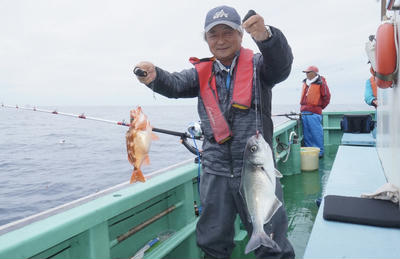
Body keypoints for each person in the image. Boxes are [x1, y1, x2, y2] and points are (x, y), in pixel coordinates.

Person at [135, 6, 294, 259]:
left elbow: (281, 66)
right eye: (213, 35)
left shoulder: (259, 66)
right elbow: (174, 84)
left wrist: (266, 37)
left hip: (256, 170)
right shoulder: (201, 73)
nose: (220, 40)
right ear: (206, 39)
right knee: (213, 241)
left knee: (273, 243)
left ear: (241, 35)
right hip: (215, 170)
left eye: (228, 32)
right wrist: (155, 76)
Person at [300, 66, 330, 157]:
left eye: (308, 72)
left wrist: (318, 108)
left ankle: (319, 153)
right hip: (304, 113)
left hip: (314, 113)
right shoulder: (306, 83)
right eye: (306, 72)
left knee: (316, 134)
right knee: (307, 135)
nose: (307, 74)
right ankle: (310, 153)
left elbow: (327, 97)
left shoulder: (321, 83)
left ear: (314, 73)